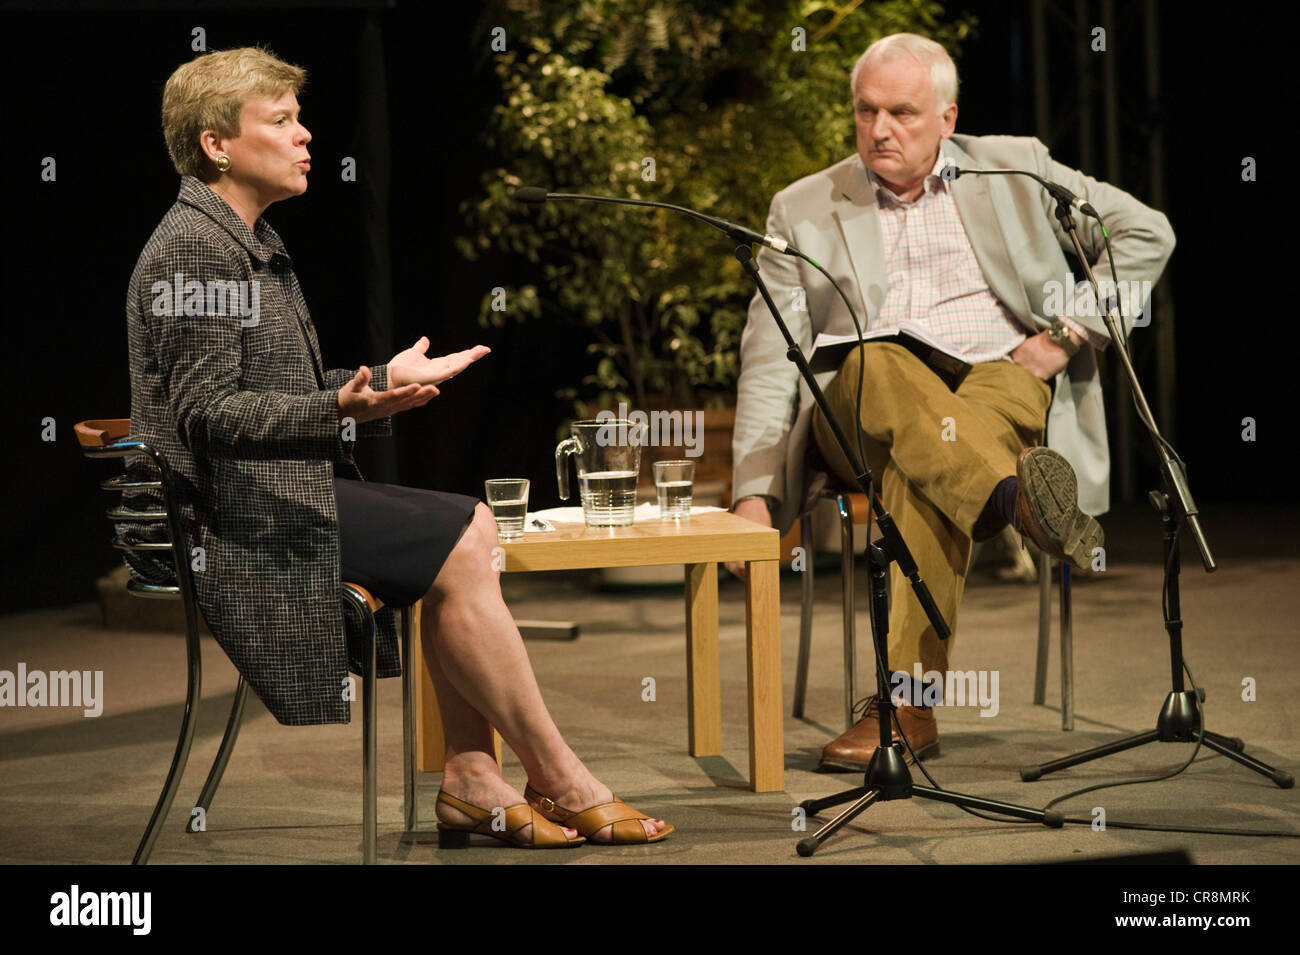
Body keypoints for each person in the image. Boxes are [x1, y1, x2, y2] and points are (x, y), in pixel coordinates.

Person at [124, 46, 671, 847]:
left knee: (468, 525)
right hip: (224, 518)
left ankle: (473, 774)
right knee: (460, 534)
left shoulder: (245, 240)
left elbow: (262, 393)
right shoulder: (196, 249)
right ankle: (548, 773)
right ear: (216, 144)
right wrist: (338, 404)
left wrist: (376, 381)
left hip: (260, 493)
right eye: (281, 121)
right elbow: (208, 414)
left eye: (300, 118)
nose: (307, 136)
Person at [726, 33, 1174, 769]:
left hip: (997, 382)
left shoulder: (1018, 166)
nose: (879, 130)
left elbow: (1144, 231)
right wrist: (752, 489)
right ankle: (1017, 502)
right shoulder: (803, 206)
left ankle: (903, 707)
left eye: (901, 112)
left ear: (947, 117)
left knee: (928, 468)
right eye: (866, 111)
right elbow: (770, 353)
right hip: (860, 405)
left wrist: (1069, 332)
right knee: (886, 360)